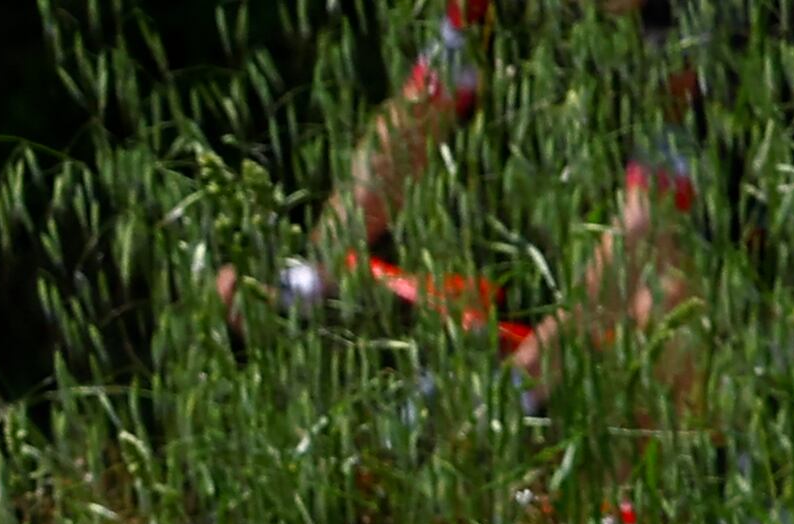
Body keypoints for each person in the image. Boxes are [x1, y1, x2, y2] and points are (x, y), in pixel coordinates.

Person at [277, 2, 708, 403]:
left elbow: (645, 232)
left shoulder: (696, 32)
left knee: (663, 314)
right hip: (574, 254)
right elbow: (419, 113)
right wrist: (313, 273)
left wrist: (514, 394)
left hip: (731, 268)